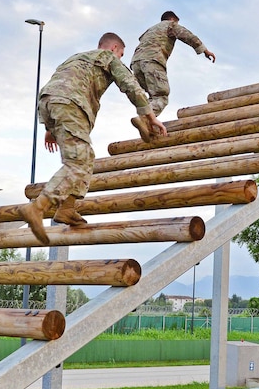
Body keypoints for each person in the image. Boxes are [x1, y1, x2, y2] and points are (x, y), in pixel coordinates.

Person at [19, 32, 167, 245]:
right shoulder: (107, 58)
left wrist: (50, 127)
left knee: (86, 156)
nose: (121, 59)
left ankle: (67, 209)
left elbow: (55, 85)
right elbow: (131, 86)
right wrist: (151, 117)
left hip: (50, 102)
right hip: (70, 102)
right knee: (78, 161)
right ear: (114, 48)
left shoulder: (76, 58)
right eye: (122, 54)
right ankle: (37, 208)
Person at [131, 10, 216, 116]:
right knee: (161, 96)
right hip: (152, 61)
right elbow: (188, 36)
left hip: (136, 64)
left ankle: (148, 123)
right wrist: (205, 51)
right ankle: (145, 119)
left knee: (153, 97)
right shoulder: (170, 25)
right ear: (172, 19)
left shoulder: (150, 30)